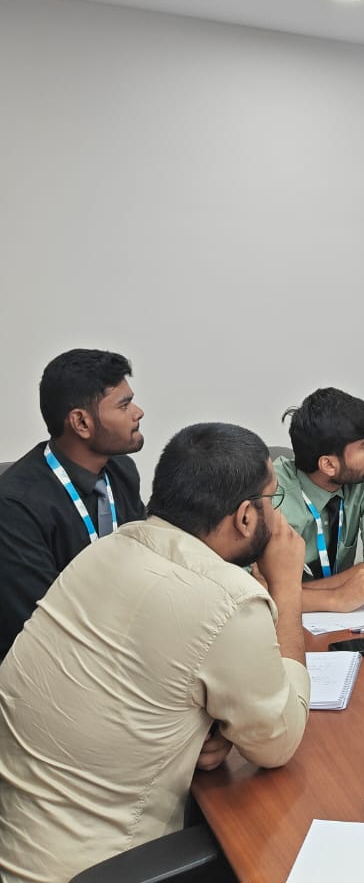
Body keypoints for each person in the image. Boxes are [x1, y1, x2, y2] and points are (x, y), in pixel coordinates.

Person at [0, 421, 309, 883]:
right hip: (107, 866)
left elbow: (131, 685)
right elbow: (278, 743)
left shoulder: (104, 550)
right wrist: (287, 587)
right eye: (272, 500)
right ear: (246, 516)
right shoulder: (227, 598)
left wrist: (203, 729)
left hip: (19, 843)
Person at [0, 347, 146, 660]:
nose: (138, 412)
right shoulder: (14, 506)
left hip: (119, 641)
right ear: (81, 423)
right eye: (124, 405)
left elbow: (146, 557)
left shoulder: (122, 471)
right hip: (51, 662)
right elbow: (39, 626)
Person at [274, 386, 364, 611]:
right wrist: (336, 597)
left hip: (342, 619)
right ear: (329, 465)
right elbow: (252, 594)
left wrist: (293, 593)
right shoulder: (272, 493)